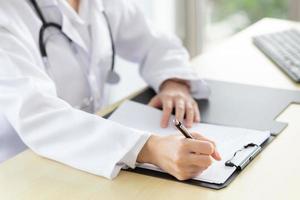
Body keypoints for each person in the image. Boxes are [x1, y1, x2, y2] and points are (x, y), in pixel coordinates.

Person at [0, 0, 221, 181]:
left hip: (94, 155)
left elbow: (156, 43)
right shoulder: (6, 14)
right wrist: (150, 148)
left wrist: (173, 82)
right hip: (21, 168)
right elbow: (39, 115)